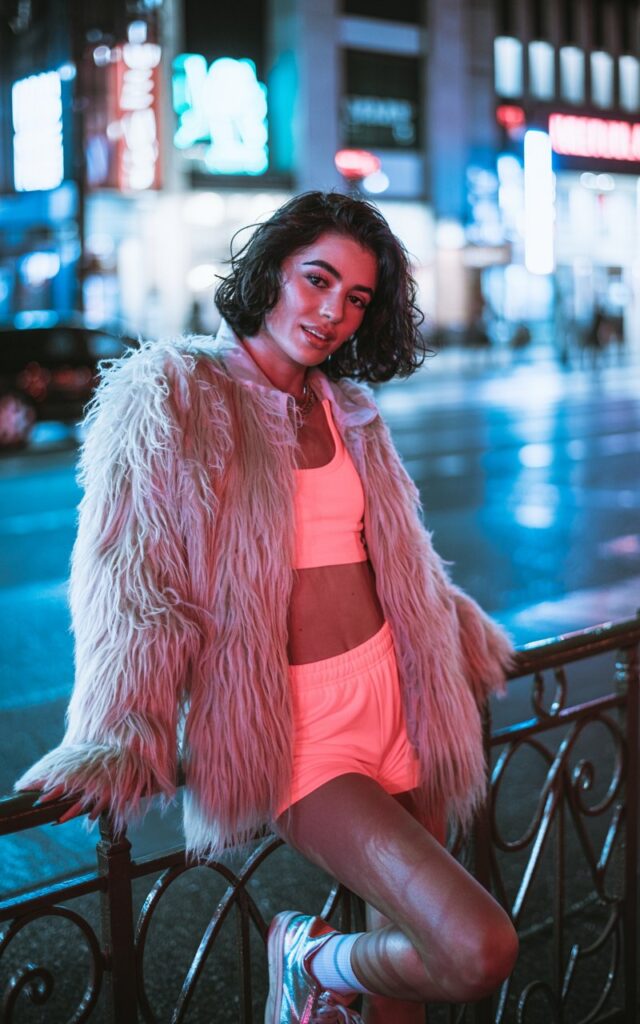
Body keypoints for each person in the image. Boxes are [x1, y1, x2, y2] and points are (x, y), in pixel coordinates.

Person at [16, 191, 518, 1023]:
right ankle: (310, 957)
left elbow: (394, 553)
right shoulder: (173, 393)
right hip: (299, 734)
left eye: (357, 299)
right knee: (473, 948)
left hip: (403, 697)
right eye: (317, 280)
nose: (332, 312)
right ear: (272, 271)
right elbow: (131, 579)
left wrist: (462, 633)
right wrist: (118, 734)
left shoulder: (347, 407)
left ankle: (338, 977)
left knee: (403, 999)